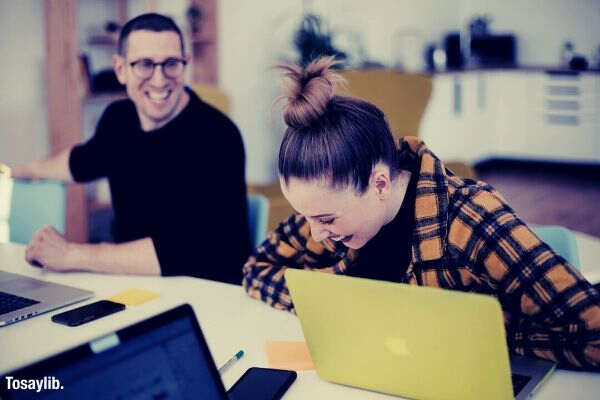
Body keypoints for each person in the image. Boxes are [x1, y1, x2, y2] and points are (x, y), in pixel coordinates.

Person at [242, 56, 600, 369]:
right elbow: (256, 270)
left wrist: (483, 334)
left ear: (379, 183)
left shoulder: (471, 220)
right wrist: (334, 303)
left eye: (325, 220)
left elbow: (593, 334)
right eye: (306, 216)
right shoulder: (326, 212)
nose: (315, 233)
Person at [8, 13, 250, 284]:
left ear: (185, 65)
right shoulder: (118, 119)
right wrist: (18, 170)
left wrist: (71, 254)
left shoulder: (217, 136)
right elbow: (81, 162)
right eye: (145, 64)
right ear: (121, 69)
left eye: (171, 64)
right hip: (133, 284)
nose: (159, 80)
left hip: (209, 291)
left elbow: (185, 249)